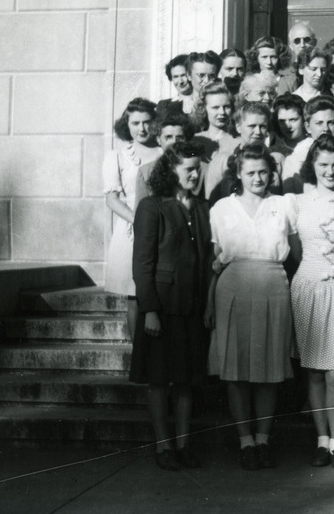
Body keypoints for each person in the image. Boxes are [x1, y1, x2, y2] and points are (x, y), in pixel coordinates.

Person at [207, 142, 297, 470]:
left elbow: (296, 252)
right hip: (232, 288)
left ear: (271, 173)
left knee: (269, 369)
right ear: (238, 174)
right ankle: (245, 441)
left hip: (274, 286)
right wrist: (208, 301)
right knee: (236, 369)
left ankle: (263, 439)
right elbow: (213, 262)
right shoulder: (220, 209)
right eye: (250, 172)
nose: (258, 178)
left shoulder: (284, 204)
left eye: (263, 172)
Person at [130, 140, 212, 471]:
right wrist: (149, 309)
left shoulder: (203, 208)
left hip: (191, 307)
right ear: (171, 170)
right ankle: (163, 447)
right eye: (188, 169)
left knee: (186, 381)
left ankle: (183, 445)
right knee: (159, 381)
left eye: (197, 168)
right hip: (161, 310)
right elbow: (142, 263)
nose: (195, 175)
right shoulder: (153, 206)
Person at [289, 134, 334, 469]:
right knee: (313, 372)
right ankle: (321, 440)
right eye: (323, 164)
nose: (330, 171)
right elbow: (296, 249)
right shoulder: (298, 201)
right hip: (308, 287)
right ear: (312, 166)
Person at [104, 98, 162, 337]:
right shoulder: (117, 156)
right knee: (134, 295)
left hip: (162, 226)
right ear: (126, 124)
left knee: (159, 290)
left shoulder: (163, 152)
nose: (142, 128)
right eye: (135, 123)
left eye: (147, 122)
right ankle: (138, 356)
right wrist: (139, 220)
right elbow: (112, 198)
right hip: (131, 229)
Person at [209, 101, 285, 204]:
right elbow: (211, 202)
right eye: (252, 126)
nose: (258, 132)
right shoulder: (222, 161)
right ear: (238, 127)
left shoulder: (277, 160)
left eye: (262, 126)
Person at [282, 95, 334, 194]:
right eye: (319, 123)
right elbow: (289, 202)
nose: (326, 128)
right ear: (308, 127)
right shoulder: (293, 162)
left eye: (331, 122)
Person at [135, 113, 198, 205]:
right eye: (168, 137)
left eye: (180, 138)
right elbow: (140, 211)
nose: (174, 142)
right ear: (158, 140)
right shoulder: (145, 171)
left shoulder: (199, 169)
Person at [193, 82, 239, 198]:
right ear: (204, 109)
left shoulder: (239, 141)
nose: (222, 113)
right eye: (215, 107)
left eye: (226, 107)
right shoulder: (194, 140)